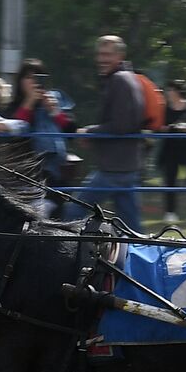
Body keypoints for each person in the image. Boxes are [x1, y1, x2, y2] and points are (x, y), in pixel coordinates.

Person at [64, 35, 144, 233]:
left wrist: (89, 132)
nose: (102, 59)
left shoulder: (120, 80)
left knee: (73, 210)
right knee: (131, 226)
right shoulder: (127, 78)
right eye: (100, 54)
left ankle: (61, 249)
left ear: (120, 56)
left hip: (113, 169)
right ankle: (143, 254)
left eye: (108, 54)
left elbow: (121, 126)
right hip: (125, 166)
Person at [2, 58, 77, 216]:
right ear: (21, 81)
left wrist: (55, 112)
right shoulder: (13, 107)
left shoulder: (54, 101)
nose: (33, 82)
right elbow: (12, 135)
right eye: (29, 77)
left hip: (54, 174)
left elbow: (71, 132)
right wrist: (28, 104)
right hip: (26, 173)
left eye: (38, 77)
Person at [158, 81, 186, 224]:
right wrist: (168, 128)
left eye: (171, 90)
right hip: (171, 149)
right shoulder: (165, 108)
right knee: (170, 181)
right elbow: (160, 126)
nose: (169, 93)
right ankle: (170, 212)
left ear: (178, 91)